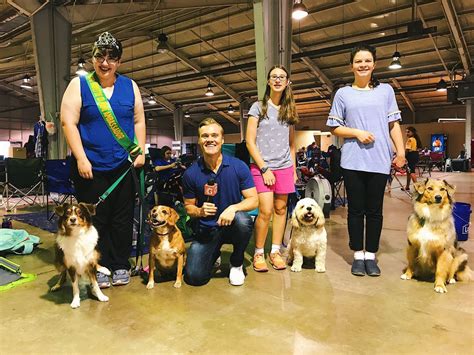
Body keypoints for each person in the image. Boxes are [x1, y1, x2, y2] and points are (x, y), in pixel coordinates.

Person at [60, 32, 146, 288]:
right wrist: (81, 158)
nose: (105, 63)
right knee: (96, 221)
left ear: (118, 61)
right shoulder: (80, 85)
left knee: (122, 218)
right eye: (100, 56)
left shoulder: (130, 86)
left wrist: (140, 150)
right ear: (93, 59)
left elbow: (139, 120)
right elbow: (68, 122)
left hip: (123, 167)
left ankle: (121, 264)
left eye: (111, 58)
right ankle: (100, 265)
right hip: (91, 168)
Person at [326, 44, 405, 277]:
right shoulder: (343, 93)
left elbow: (394, 124)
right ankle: (357, 255)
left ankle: (371, 254)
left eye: (367, 60)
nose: (363, 65)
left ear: (374, 64)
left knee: (375, 211)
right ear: (351, 65)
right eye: (358, 61)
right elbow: (334, 127)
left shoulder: (386, 91)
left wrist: (400, 152)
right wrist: (357, 133)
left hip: (379, 160)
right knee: (355, 210)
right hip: (353, 161)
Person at [182, 118, 258, 286]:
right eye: (205, 136)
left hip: (232, 226)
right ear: (200, 140)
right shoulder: (190, 173)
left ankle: (236, 263)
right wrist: (200, 211)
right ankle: (213, 252)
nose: (210, 139)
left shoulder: (238, 166)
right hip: (207, 230)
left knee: (243, 220)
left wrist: (233, 208)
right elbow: (188, 207)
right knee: (194, 278)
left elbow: (254, 200)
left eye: (215, 135)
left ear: (222, 140)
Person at [246, 65, 299, 272]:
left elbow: (292, 144)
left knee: (281, 209)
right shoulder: (258, 107)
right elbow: (250, 142)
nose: (278, 80)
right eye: (274, 77)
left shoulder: (289, 110)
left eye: (282, 77)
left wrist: (293, 170)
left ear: (287, 82)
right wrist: (264, 168)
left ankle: (275, 251)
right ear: (268, 81)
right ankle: (259, 252)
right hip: (262, 167)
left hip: (284, 166)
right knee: (265, 211)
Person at [403, 126, 422, 191]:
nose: (407, 133)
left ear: (413, 132)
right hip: (415, 155)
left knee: (411, 172)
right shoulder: (415, 139)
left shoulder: (410, 139)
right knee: (409, 172)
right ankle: (407, 187)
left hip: (411, 155)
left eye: (408, 132)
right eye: (406, 132)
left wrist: (404, 156)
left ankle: (417, 188)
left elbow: (407, 149)